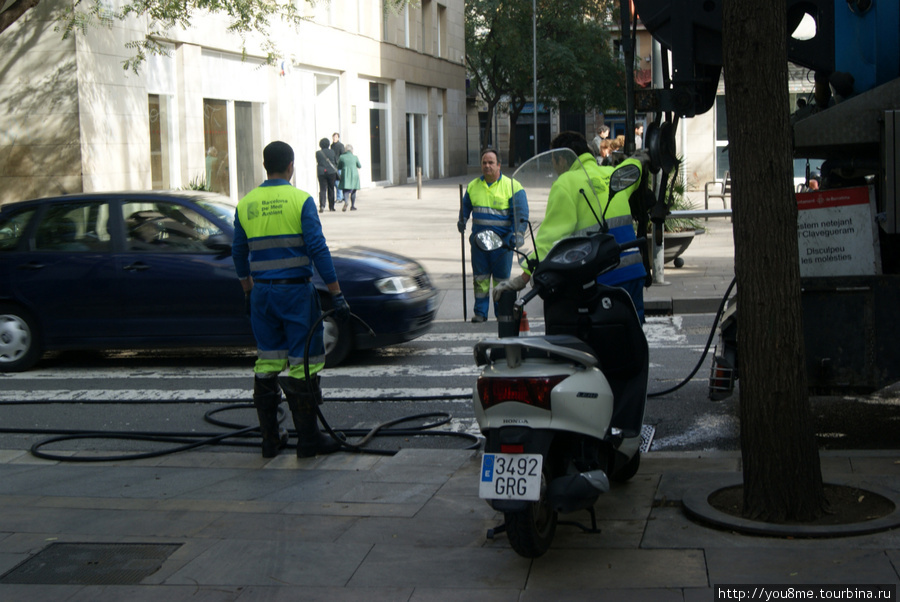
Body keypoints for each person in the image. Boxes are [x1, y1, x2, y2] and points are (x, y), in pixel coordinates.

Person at [232, 140, 350, 459]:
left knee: (268, 360)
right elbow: (318, 249)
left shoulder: (246, 204)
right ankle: (309, 441)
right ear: (291, 166)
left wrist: (247, 290)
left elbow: (238, 252)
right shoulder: (301, 200)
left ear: (265, 166)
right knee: (305, 362)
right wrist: (336, 293)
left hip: (262, 296)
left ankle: (270, 440)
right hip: (295, 293)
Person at [493, 131, 648, 322]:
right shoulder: (611, 174)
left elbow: (548, 242)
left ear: (561, 158)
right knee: (632, 340)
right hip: (633, 273)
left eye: (554, 161)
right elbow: (634, 168)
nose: (555, 167)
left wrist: (522, 278)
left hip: (601, 279)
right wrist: (640, 158)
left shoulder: (565, 183)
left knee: (598, 344)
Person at [457, 148, 529, 323]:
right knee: (480, 279)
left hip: (503, 245)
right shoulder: (474, 186)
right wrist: (462, 219)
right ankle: (480, 313)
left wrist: (517, 234)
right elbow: (466, 205)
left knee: (501, 281)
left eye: (491, 163)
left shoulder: (512, 186)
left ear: (499, 165)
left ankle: (501, 313)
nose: (487, 166)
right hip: (479, 243)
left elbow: (520, 213)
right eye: (484, 163)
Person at [315, 138, 339, 212]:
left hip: (321, 172)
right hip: (331, 172)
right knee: (331, 189)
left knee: (322, 189)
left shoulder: (318, 153)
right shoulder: (332, 152)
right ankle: (331, 207)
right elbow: (335, 161)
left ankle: (322, 205)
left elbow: (318, 161)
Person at [338, 144, 362, 211]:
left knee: (345, 190)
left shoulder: (342, 157)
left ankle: (346, 202)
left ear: (345, 150)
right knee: (354, 191)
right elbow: (359, 166)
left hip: (345, 175)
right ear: (352, 150)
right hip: (354, 175)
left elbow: (339, 166)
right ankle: (353, 206)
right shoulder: (355, 157)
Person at [331, 133, 345, 204]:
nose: (334, 138)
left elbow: (342, 155)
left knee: (338, 182)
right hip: (333, 166)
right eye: (333, 137)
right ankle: (340, 196)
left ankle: (340, 197)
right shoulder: (332, 146)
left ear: (338, 138)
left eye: (336, 137)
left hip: (338, 166)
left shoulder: (341, 146)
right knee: (336, 183)